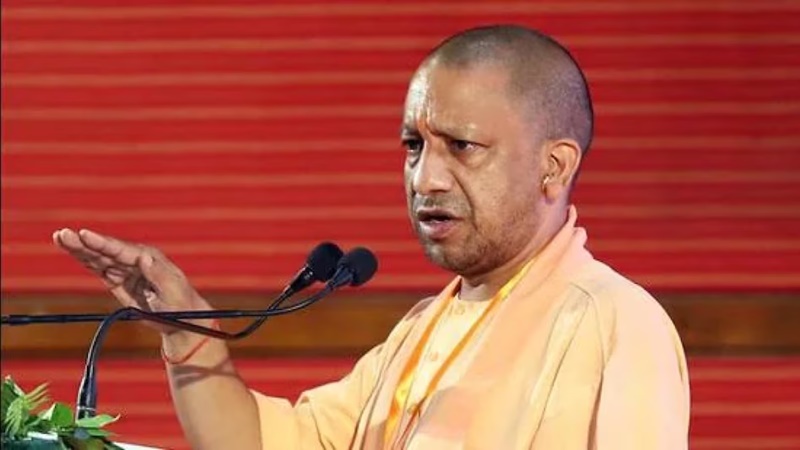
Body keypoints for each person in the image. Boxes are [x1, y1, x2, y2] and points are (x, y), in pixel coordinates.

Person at [53, 25, 690, 450]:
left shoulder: (613, 323)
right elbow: (265, 442)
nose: (426, 178)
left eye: (462, 146)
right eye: (414, 145)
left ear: (554, 165)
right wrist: (186, 325)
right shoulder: (422, 331)